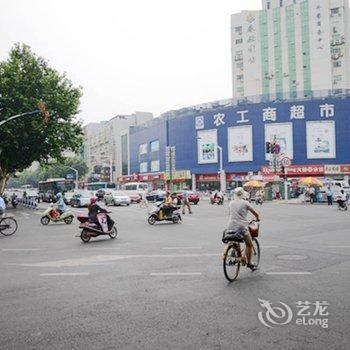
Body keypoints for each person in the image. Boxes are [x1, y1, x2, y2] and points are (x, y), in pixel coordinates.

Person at [226, 187, 260, 271]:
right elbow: (255, 213)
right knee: (249, 244)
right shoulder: (245, 203)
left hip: (230, 226)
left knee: (234, 239)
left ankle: (233, 253)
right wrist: (257, 218)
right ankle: (249, 263)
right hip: (242, 227)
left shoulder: (231, 203)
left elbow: (230, 214)